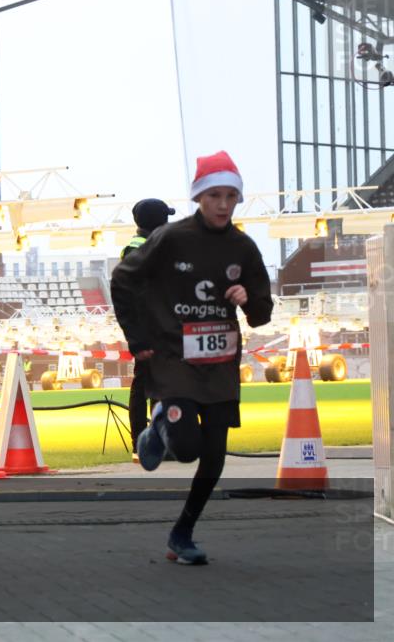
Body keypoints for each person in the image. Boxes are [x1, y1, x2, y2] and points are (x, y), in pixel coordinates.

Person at [110, 151, 272, 565]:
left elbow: (262, 312)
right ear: (199, 196)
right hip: (174, 359)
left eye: (230, 196)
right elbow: (123, 280)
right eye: (214, 195)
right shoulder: (171, 238)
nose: (222, 204)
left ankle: (183, 533)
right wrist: (138, 338)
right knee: (186, 450)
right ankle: (161, 424)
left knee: (214, 456)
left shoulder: (243, 247)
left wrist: (248, 299)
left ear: (238, 199)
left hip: (219, 364)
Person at [117, 198, 176, 460]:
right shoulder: (143, 250)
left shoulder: (138, 247)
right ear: (161, 222)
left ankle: (156, 442)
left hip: (152, 329)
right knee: (146, 387)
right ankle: (144, 444)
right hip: (152, 330)